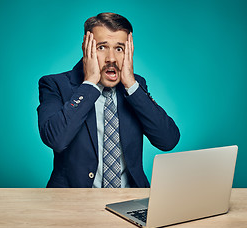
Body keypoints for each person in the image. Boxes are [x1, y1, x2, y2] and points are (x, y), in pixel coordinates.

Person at [37, 12, 180, 188]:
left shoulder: (136, 86)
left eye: (119, 48)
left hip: (129, 200)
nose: (111, 59)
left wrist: (132, 86)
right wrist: (89, 84)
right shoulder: (54, 84)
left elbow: (168, 140)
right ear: (86, 48)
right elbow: (56, 139)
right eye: (102, 47)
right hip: (73, 203)